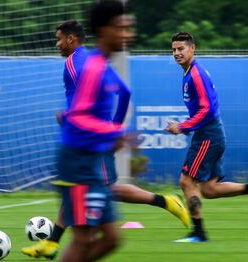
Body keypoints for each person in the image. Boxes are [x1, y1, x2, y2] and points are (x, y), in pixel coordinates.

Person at [22, 14, 190, 262]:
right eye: (122, 28)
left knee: (100, 198)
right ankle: (52, 242)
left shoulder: (74, 63)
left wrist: (77, 119)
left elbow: (83, 105)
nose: (57, 45)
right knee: (91, 200)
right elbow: (125, 92)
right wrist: (113, 127)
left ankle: (165, 201)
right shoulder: (94, 60)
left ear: (71, 39)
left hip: (86, 144)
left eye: (59, 40)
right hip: (92, 141)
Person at [166, 32, 248, 243]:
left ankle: (199, 234)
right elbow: (204, 110)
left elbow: (207, 110)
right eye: (174, 49)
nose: (176, 53)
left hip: (208, 136)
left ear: (193, 48)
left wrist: (183, 127)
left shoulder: (195, 75)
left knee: (186, 181)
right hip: (211, 133)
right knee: (209, 190)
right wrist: (189, 125)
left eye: (181, 48)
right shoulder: (188, 73)